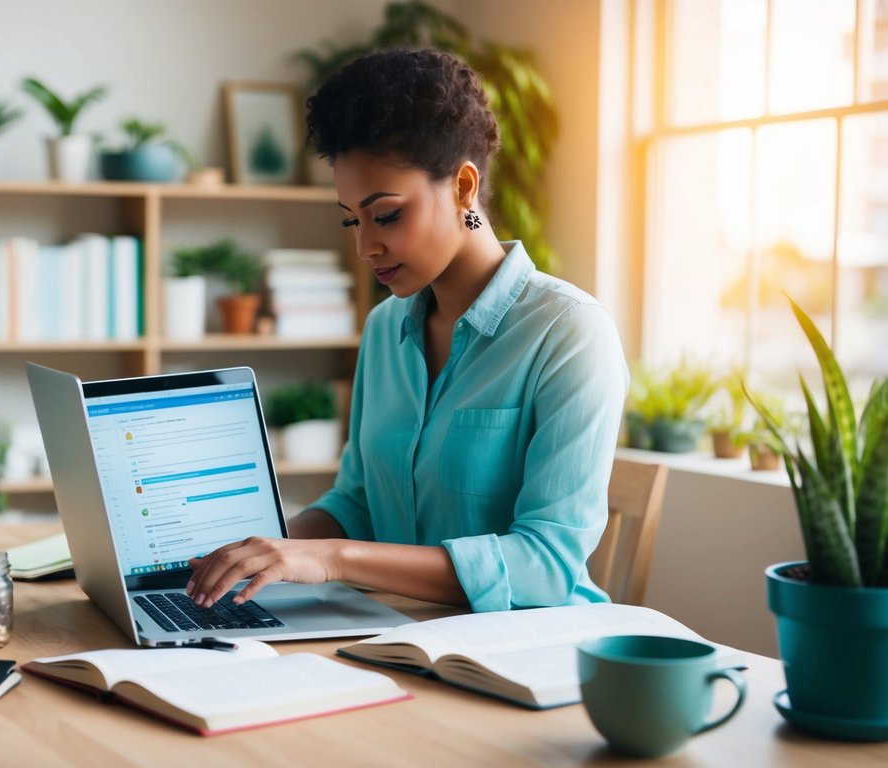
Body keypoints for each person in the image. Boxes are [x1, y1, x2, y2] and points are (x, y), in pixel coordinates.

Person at [186, 48, 629, 612]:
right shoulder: (383, 329)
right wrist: (250, 554)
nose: (364, 246)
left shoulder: (569, 334)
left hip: (529, 655)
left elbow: (545, 566)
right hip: (400, 637)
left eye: (387, 214)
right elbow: (358, 503)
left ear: (465, 187)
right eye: (352, 218)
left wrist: (329, 559)